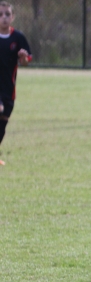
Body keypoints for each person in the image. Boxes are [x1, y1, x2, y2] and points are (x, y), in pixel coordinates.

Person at [0, 1, 30, 167]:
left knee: (3, 122)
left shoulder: (18, 38)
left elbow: (26, 62)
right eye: (0, 14)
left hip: (8, 89)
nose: (4, 17)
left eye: (7, 14)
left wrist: (23, 58)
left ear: (13, 17)